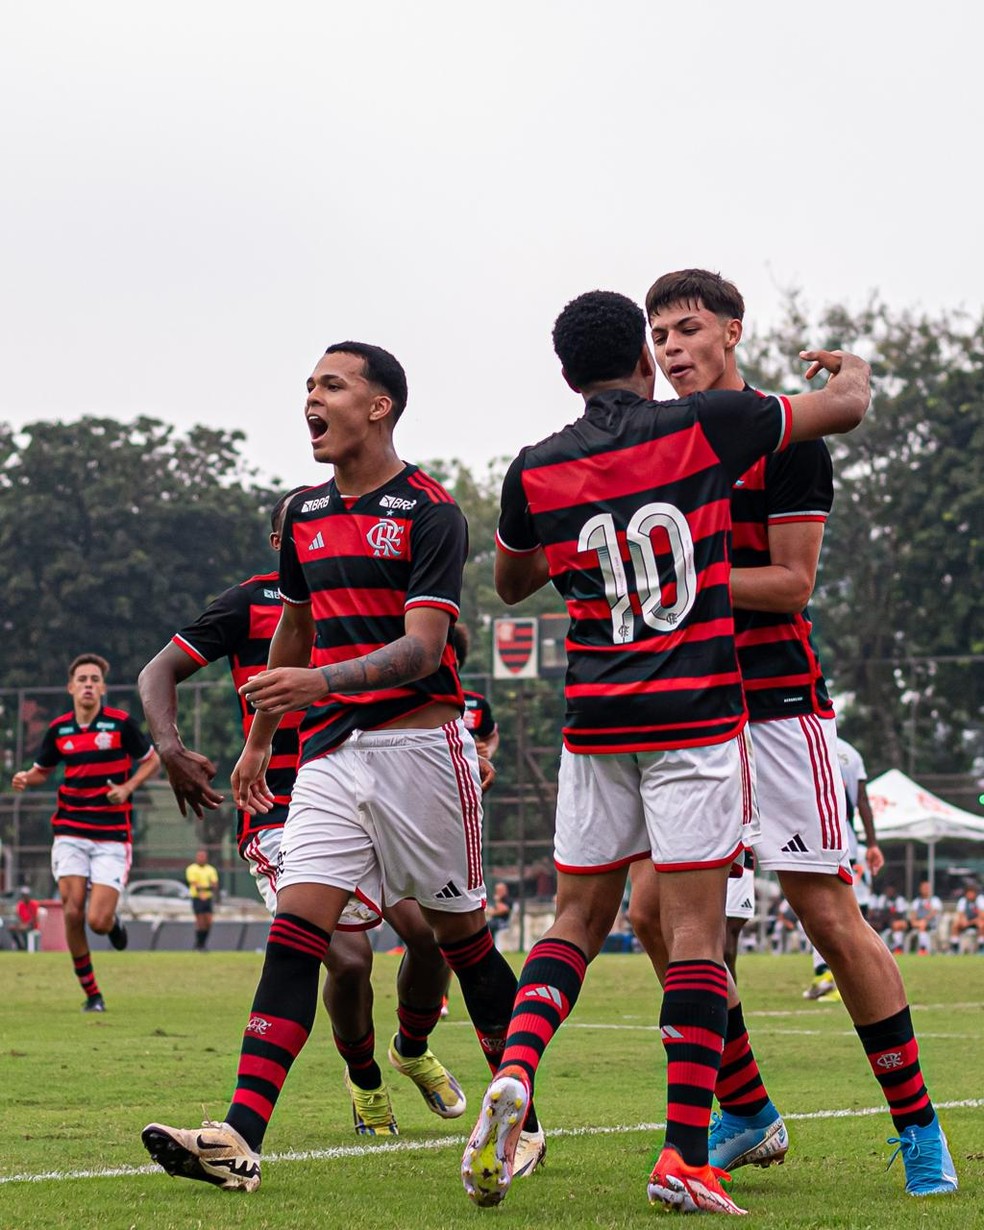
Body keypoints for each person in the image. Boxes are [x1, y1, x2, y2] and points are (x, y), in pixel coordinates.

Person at [461, 289, 870, 1215]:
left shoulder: (533, 469)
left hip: (594, 723)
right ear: (644, 360)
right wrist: (848, 369)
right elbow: (843, 410)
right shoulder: (704, 425)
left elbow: (512, 581)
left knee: (573, 921)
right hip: (691, 717)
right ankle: (686, 1155)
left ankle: (517, 1070)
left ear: (566, 373)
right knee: (692, 934)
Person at [141, 340, 542, 1191]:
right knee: (296, 936)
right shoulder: (304, 512)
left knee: (462, 939)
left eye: (331, 385)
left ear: (380, 406)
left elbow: (423, 648)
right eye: (307, 388)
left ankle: (521, 1122)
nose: (311, 400)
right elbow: (293, 626)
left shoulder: (432, 511)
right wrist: (259, 739)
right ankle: (239, 1136)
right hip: (326, 755)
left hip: (423, 753)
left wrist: (316, 679)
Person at [626, 269, 956, 1199]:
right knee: (656, 917)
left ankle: (920, 1132)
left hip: (777, 709)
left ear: (733, 331)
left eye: (688, 329)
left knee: (825, 914)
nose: (671, 348)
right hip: (689, 712)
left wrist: (669, 589)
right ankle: (745, 1108)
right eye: (658, 335)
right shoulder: (655, 443)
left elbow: (792, 582)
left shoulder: (786, 435)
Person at [139, 490, 462, 1135]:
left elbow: (427, 666)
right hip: (279, 807)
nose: (319, 542)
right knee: (346, 958)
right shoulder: (251, 604)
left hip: (371, 788)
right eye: (301, 536)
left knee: (431, 941)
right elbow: (158, 671)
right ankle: (365, 1078)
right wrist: (169, 747)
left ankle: (413, 1049)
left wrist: (459, 749)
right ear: (280, 548)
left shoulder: (380, 586)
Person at [12, 654, 160, 1011]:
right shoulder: (59, 730)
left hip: (111, 835)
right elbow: (42, 771)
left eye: (95, 679)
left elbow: (153, 760)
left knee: (96, 920)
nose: (89, 685)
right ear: (71, 688)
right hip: (70, 831)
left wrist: (127, 789)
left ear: (103, 688)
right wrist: (25, 778)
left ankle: (110, 923)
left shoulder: (121, 724)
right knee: (72, 911)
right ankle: (92, 994)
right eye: (82, 679)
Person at [804, 736, 884, 997]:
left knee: (817, 912)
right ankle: (859, 977)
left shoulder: (806, 742)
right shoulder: (852, 753)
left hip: (815, 840)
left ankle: (828, 977)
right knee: (848, 914)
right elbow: (862, 802)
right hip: (846, 843)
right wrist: (871, 843)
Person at [186, 848, 219, 951]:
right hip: (197, 898)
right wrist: (201, 893)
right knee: (200, 921)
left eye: (203, 856)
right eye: (200, 856)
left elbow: (214, 884)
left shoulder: (211, 869)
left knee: (208, 921)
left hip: (208, 898)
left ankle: (202, 944)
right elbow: (194, 883)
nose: (201, 858)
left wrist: (208, 890)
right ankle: (199, 945)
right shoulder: (192, 869)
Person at [908, 880, 942, 955]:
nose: (925, 889)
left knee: (922, 924)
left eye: (927, 887)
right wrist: (914, 922)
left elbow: (934, 913)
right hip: (919, 923)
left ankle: (924, 949)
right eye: (924, 888)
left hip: (931, 924)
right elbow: (913, 914)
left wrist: (924, 920)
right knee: (921, 925)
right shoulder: (916, 901)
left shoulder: (935, 900)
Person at [949, 882, 984, 953]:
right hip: (966, 922)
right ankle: (954, 947)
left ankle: (981, 947)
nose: (970, 895)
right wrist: (963, 920)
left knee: (982, 924)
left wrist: (971, 922)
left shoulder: (980, 900)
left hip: (976, 922)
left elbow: (982, 915)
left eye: (972, 893)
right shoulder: (963, 901)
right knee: (955, 925)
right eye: (968, 893)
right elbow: (960, 914)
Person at [9, 886, 41, 951]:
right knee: (12, 930)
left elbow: (35, 918)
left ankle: (27, 947)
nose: (24, 897)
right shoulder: (20, 905)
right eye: (23, 895)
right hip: (23, 924)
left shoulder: (34, 904)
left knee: (24, 930)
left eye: (26, 895)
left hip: (32, 926)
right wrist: (17, 925)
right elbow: (19, 917)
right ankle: (20, 948)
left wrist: (26, 925)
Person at [486, 881, 512, 949]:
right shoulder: (496, 900)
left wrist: (497, 901)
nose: (498, 892)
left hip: (503, 922)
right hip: (494, 921)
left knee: (490, 925)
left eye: (500, 890)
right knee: (486, 925)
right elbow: (490, 911)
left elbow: (504, 909)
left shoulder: (507, 899)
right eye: (497, 890)